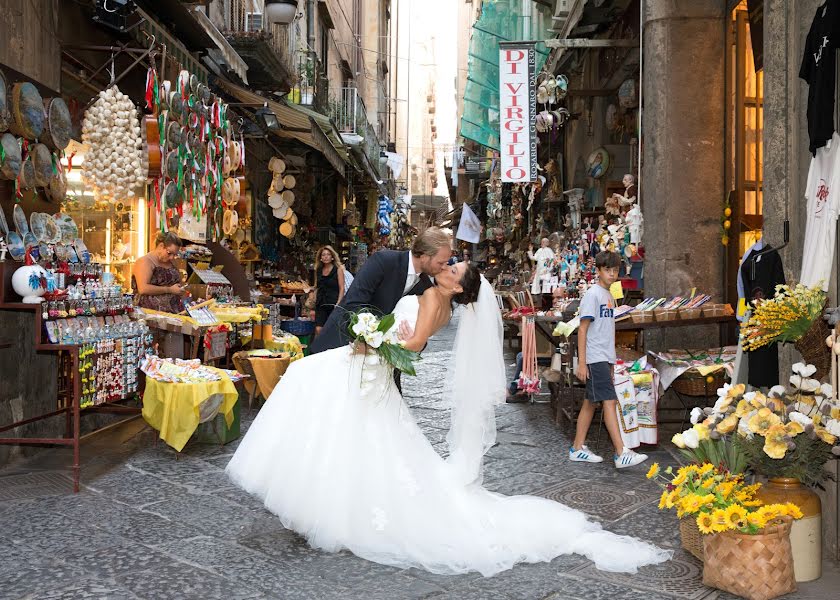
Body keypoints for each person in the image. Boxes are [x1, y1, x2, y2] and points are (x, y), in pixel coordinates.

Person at [226, 262, 670, 576]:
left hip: (370, 365)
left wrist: (374, 341)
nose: (449, 267)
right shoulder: (433, 294)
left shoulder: (437, 303)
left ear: (458, 288)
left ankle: (330, 501)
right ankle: (323, 495)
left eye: (455, 270)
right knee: (336, 418)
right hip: (366, 367)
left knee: (317, 393)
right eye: (451, 264)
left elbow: (415, 344)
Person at [310, 227, 451, 353]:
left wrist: (412, 340)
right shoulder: (383, 261)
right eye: (441, 262)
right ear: (425, 256)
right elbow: (354, 303)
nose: (444, 267)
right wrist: (372, 337)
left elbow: (422, 329)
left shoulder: (426, 286)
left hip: (378, 362)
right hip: (339, 344)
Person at [572, 251, 648, 469]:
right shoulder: (593, 295)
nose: (612, 274)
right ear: (598, 271)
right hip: (594, 358)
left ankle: (577, 448)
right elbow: (583, 329)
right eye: (608, 270)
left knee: (590, 402)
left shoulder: (608, 295)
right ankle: (620, 452)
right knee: (609, 401)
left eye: (615, 270)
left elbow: (607, 331)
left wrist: (612, 362)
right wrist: (582, 362)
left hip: (603, 358)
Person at [132, 232, 185, 313]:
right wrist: (169, 290)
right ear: (161, 246)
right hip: (150, 313)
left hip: (174, 311)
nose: (171, 257)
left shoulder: (171, 262)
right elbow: (143, 288)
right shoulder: (145, 262)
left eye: (174, 255)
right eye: (169, 253)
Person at [312, 246, 345, 336]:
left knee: (331, 329)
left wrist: (338, 303)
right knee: (319, 328)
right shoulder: (318, 270)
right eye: (323, 255)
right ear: (321, 258)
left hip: (333, 303)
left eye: (328, 254)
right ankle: (320, 348)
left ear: (332, 257)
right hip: (321, 302)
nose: (326, 256)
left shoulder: (338, 269)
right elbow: (316, 286)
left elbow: (342, 287)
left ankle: (328, 348)